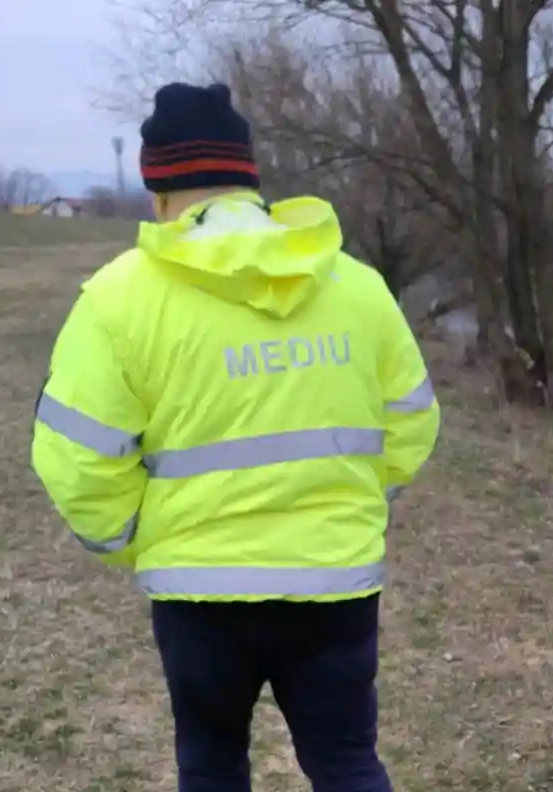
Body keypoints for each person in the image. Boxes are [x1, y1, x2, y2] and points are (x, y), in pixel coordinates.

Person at [30, 82, 441, 792]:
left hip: (198, 590)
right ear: (248, 175)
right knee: (346, 763)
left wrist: (137, 538)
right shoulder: (358, 286)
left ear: (157, 188)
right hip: (334, 577)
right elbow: (412, 420)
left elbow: (77, 458)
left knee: (212, 764)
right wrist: (351, 503)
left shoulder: (117, 299)